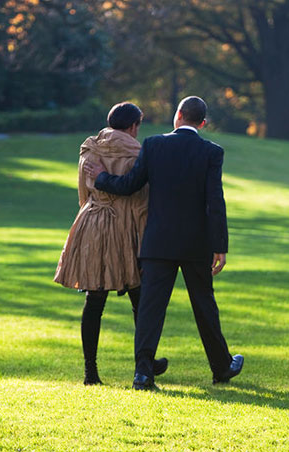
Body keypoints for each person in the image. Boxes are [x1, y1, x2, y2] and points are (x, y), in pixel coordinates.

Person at [84, 96, 243, 390]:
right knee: (204, 306)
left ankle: (143, 373)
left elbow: (131, 184)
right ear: (203, 123)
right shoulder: (212, 152)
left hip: (158, 241)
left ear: (178, 115)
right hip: (197, 244)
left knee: (150, 309)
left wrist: (102, 178)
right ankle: (221, 367)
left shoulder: (154, 145)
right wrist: (220, 246)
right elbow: (215, 203)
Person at [54, 102, 167, 385]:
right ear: (132, 126)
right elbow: (142, 200)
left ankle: (90, 372)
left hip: (91, 224)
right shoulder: (137, 152)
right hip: (124, 227)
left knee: (94, 300)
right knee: (139, 298)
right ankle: (145, 365)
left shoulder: (89, 148)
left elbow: (83, 192)